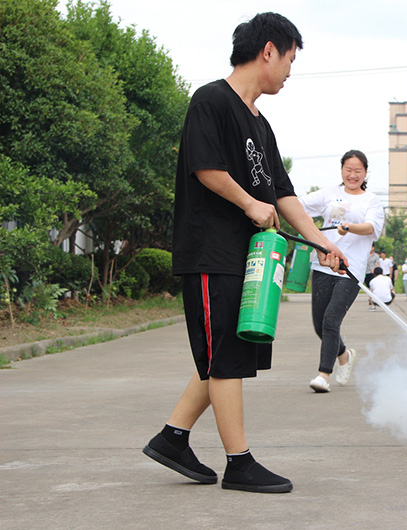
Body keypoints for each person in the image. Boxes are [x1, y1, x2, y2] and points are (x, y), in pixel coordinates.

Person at [143, 12, 346, 495]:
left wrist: (319, 239)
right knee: (224, 358)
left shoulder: (261, 124)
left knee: (228, 351)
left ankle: (173, 438)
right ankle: (239, 463)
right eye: (291, 59)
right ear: (269, 50)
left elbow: (283, 193)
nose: (291, 72)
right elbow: (205, 168)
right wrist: (250, 203)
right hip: (212, 251)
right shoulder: (211, 100)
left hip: (249, 256)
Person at [300, 149, 385, 393]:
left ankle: (323, 375)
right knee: (320, 325)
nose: (353, 174)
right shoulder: (329, 194)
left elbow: (371, 227)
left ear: (365, 173)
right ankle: (344, 355)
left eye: (358, 170)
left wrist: (351, 226)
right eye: (349, 169)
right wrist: (312, 231)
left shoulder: (371, 201)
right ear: (342, 170)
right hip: (324, 264)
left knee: (331, 320)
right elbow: (299, 207)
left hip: (351, 269)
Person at [364, 244, 380, 310]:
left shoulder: (376, 256)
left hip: (372, 274)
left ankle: (373, 302)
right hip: (365, 273)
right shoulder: (365, 254)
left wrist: (375, 270)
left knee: (372, 288)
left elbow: (378, 264)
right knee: (368, 288)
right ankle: (371, 299)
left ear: (373, 248)